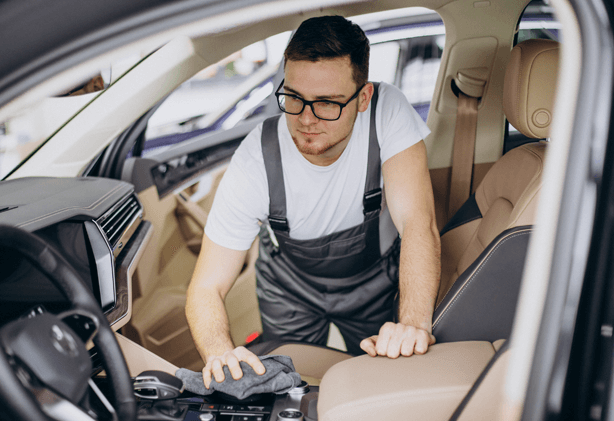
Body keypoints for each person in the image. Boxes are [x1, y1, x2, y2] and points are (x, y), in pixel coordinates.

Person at [186, 15, 441, 388]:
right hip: (289, 287)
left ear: (363, 98)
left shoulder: (387, 111)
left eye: (327, 103)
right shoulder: (256, 155)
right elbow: (206, 285)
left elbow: (418, 223)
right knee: (289, 383)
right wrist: (219, 352)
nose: (306, 119)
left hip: (373, 279)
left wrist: (413, 325)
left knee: (385, 377)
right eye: (294, 98)